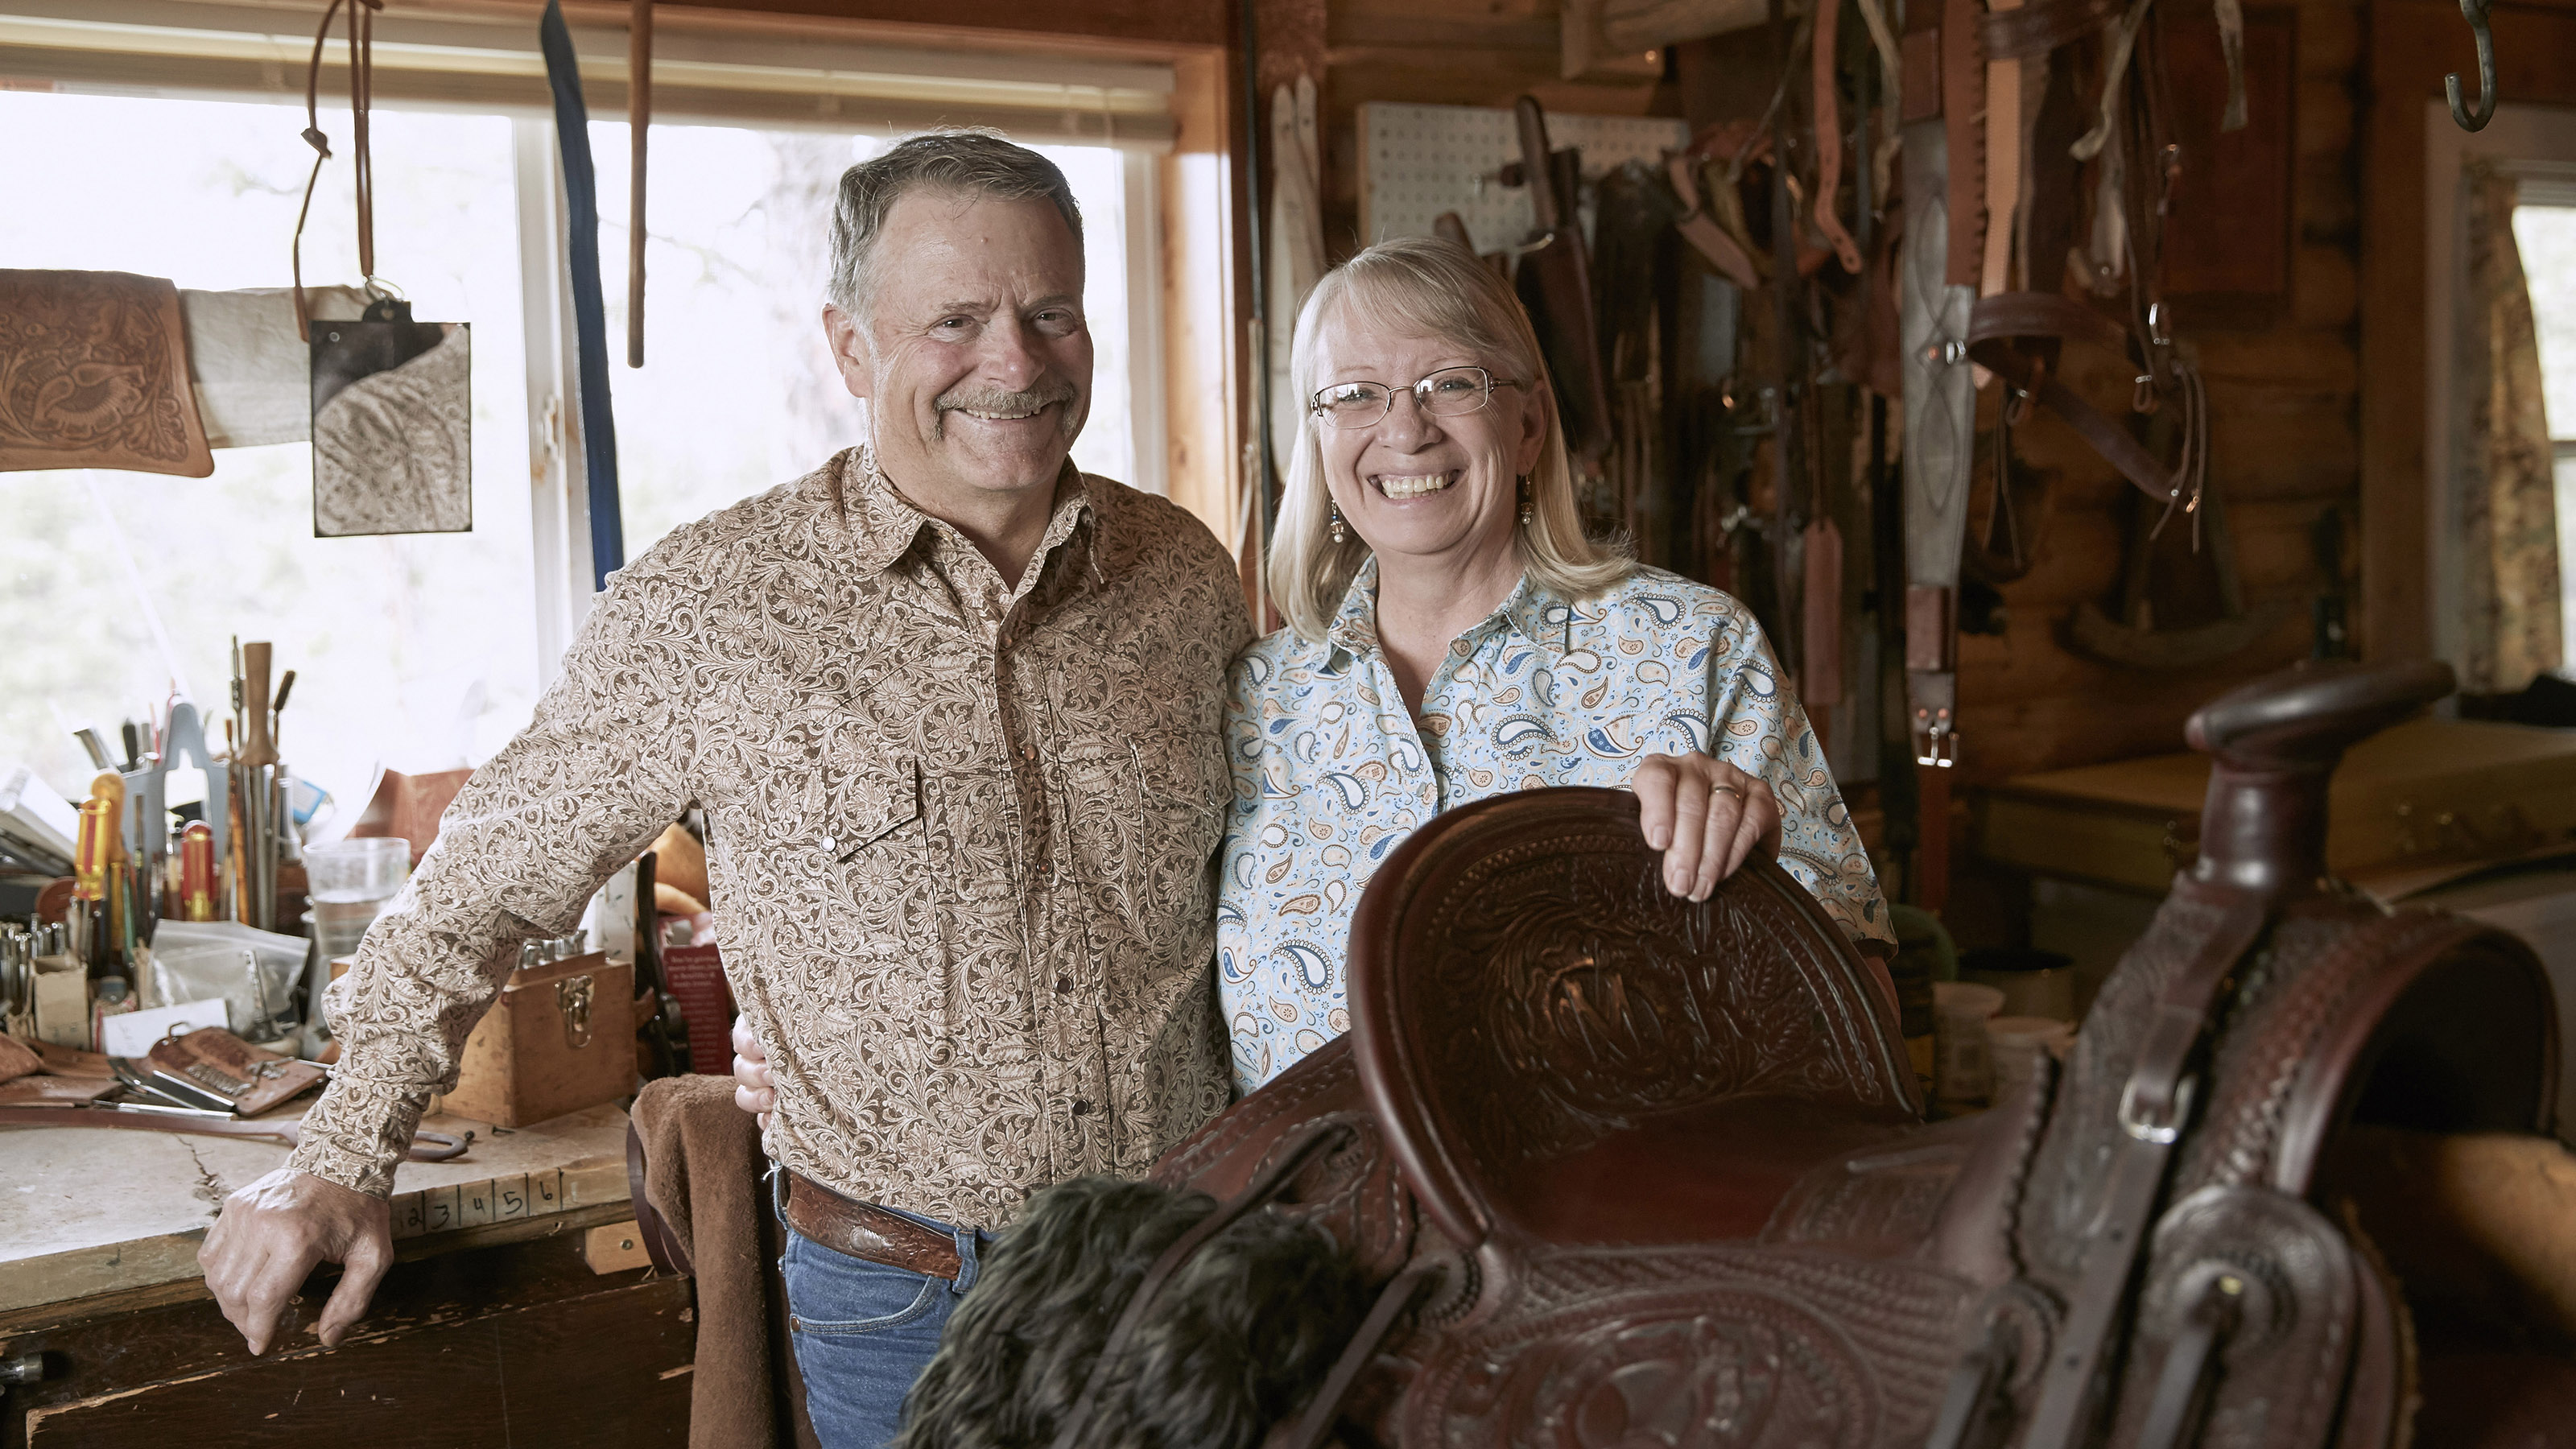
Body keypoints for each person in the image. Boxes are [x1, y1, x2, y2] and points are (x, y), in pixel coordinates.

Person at [198, 131, 1255, 1449]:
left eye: (1052, 313)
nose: (1018, 363)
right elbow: (475, 892)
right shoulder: (712, 607)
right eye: (958, 321)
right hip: (907, 1300)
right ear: (853, 349)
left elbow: (1282, 886)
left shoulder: (1187, 578)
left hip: (1190, 1272)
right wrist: (339, 1156)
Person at [1217, 234, 1893, 1091]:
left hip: (1616, 1213)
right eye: (1353, 395)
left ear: (1529, 425)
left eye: (1449, 385)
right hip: (1309, 1217)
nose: (1404, 428)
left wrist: (1756, 894)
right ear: (1314, 442)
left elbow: (1861, 1017)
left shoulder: (1692, 648)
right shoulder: (1256, 699)